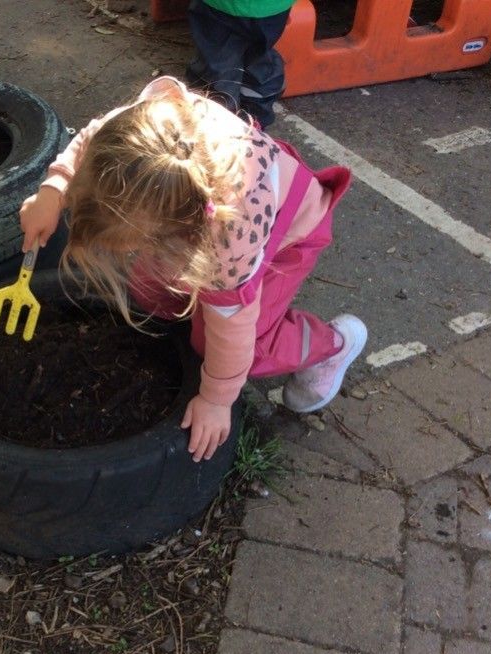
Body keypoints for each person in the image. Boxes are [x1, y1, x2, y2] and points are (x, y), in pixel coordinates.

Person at [19, 77, 366, 463]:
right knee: (149, 288)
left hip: (288, 233)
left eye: (135, 245)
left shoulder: (226, 248)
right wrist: (54, 190)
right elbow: (88, 141)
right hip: (231, 188)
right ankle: (181, 342)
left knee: (247, 347)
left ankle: (331, 347)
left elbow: (233, 326)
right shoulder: (139, 135)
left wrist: (217, 399)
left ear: (176, 233)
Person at [185, 0, 294, 128]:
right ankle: (255, 127)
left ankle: (219, 129)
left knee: (217, 67)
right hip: (274, 8)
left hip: (224, 6)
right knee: (258, 58)